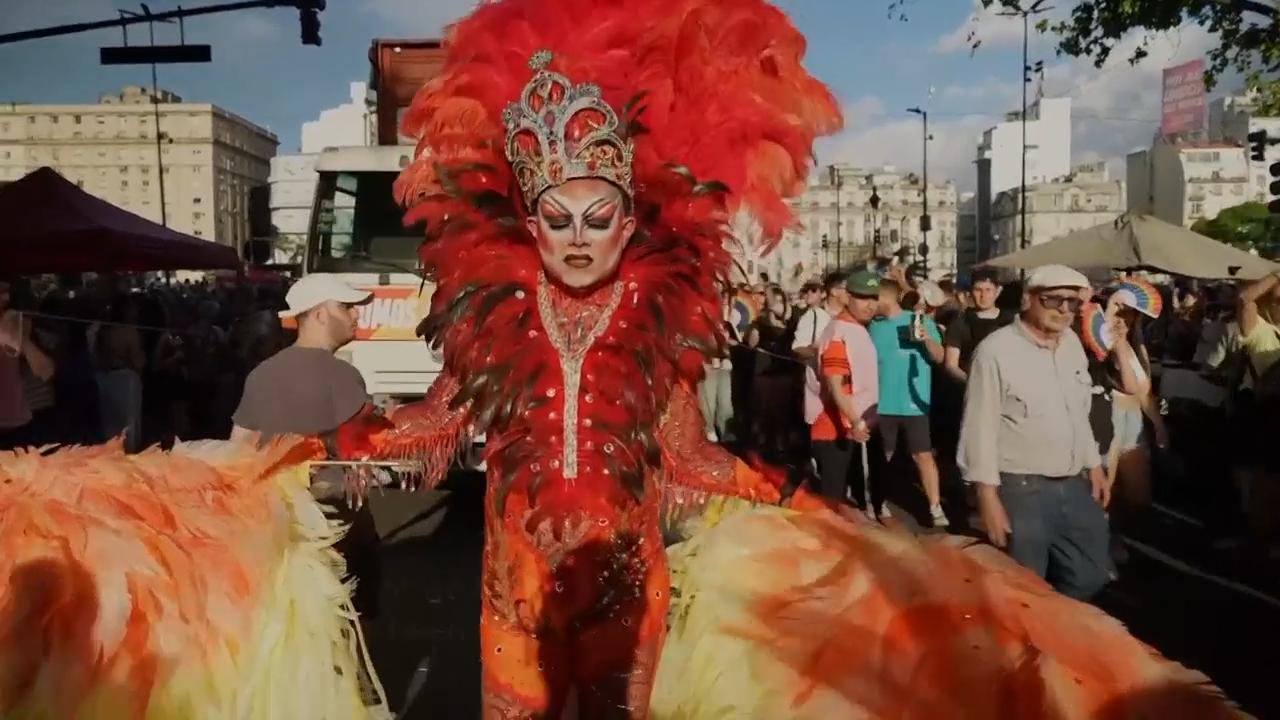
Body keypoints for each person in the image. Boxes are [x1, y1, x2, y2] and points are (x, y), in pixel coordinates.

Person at [958, 264, 1112, 600]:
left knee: (1091, 573)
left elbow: (1079, 411)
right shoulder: (995, 351)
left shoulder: (1072, 343)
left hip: (1073, 482)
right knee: (1023, 588)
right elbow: (978, 427)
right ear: (1028, 299)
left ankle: (1058, 623)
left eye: (1072, 302)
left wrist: (1093, 464)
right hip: (1020, 487)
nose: (1064, 309)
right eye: (1053, 300)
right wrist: (987, 496)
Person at [868, 273, 947, 527]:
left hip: (914, 402)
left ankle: (935, 507)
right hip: (881, 403)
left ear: (886, 297)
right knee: (885, 455)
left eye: (874, 298)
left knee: (922, 455)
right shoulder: (873, 326)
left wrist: (926, 339)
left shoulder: (918, 320)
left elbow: (940, 357)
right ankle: (880, 501)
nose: (870, 304)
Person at [809, 270, 880, 506]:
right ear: (848, 297)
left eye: (874, 297)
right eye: (863, 298)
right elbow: (836, 386)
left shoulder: (855, 329)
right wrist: (855, 421)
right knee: (832, 504)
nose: (870, 305)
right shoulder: (839, 333)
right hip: (834, 430)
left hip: (851, 428)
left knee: (843, 503)